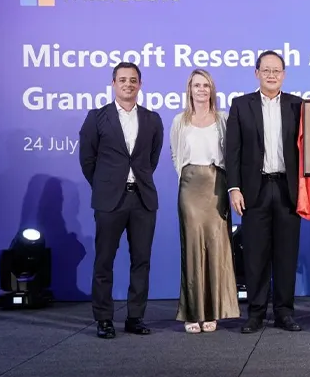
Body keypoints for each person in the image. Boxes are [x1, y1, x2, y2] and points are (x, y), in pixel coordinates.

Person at [79, 62, 164, 339]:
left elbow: (151, 159)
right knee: (104, 260)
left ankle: (135, 317)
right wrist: (105, 185)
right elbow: (87, 160)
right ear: (113, 83)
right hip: (109, 201)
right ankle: (103, 318)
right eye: (123, 79)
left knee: (141, 261)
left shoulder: (152, 119)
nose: (128, 84)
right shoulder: (97, 117)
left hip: (142, 200)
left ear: (140, 84)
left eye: (133, 80)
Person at [225, 50, 304, 334]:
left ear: (284, 74)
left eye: (277, 70)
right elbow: (231, 151)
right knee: (255, 254)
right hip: (254, 190)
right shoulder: (240, 105)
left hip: (287, 190)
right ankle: (256, 313)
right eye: (266, 70)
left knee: (286, 254)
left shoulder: (298, 105)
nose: (272, 75)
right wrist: (234, 188)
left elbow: (307, 150)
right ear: (256, 73)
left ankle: (284, 312)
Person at [170, 69, 241, 333]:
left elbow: (230, 154)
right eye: (196, 85)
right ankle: (192, 313)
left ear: (212, 90)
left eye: (206, 86)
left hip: (217, 186)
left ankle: (212, 311)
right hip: (190, 187)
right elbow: (176, 155)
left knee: (217, 247)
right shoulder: (180, 120)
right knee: (192, 249)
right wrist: (189, 176)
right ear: (189, 89)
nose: (201, 90)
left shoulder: (222, 119)